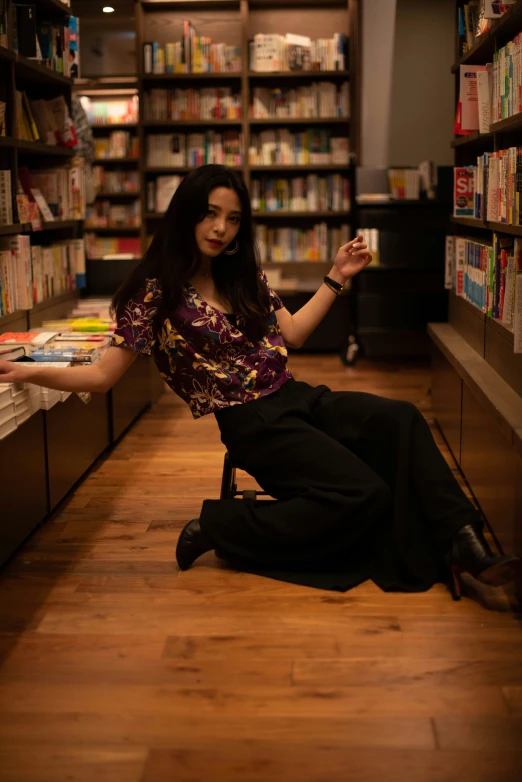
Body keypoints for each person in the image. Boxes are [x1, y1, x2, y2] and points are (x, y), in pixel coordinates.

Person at [0, 165, 519, 601]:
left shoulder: (241, 273)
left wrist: (337, 275)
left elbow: (290, 332)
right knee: (365, 493)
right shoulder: (153, 293)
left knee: (401, 418)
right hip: (251, 423)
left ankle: (464, 543)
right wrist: (24, 370)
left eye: (231, 218)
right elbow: (102, 376)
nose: (220, 228)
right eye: (209, 213)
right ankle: (221, 526)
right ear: (186, 212)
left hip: (294, 395)